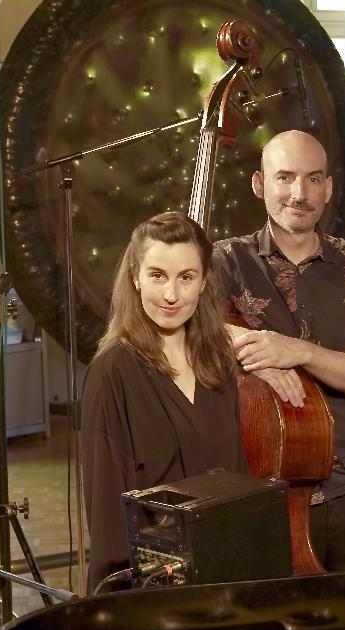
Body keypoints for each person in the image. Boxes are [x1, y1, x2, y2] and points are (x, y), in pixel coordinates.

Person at [214, 130, 345, 570]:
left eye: (313, 179)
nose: (299, 193)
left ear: (328, 188)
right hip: (264, 485)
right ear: (260, 183)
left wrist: (297, 351)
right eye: (285, 177)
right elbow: (187, 330)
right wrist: (252, 354)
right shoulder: (227, 260)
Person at [82, 211, 246, 591]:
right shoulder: (111, 372)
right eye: (157, 276)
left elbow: (237, 483)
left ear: (204, 282)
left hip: (224, 576)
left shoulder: (217, 362)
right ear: (135, 277)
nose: (171, 295)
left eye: (185, 277)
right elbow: (107, 515)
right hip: (152, 589)